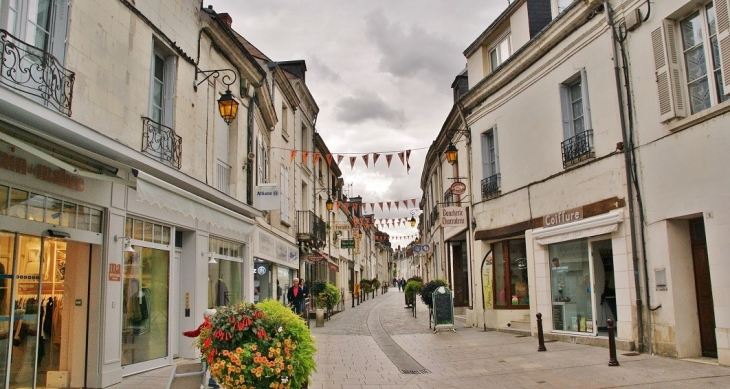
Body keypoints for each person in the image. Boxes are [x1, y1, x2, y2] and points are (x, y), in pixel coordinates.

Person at [183, 309, 218, 389]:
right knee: (213, 365)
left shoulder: (204, 324)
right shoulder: (213, 324)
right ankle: (212, 381)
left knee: (204, 365)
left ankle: (200, 382)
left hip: (205, 348)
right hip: (212, 348)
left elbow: (196, 333)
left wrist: (186, 333)